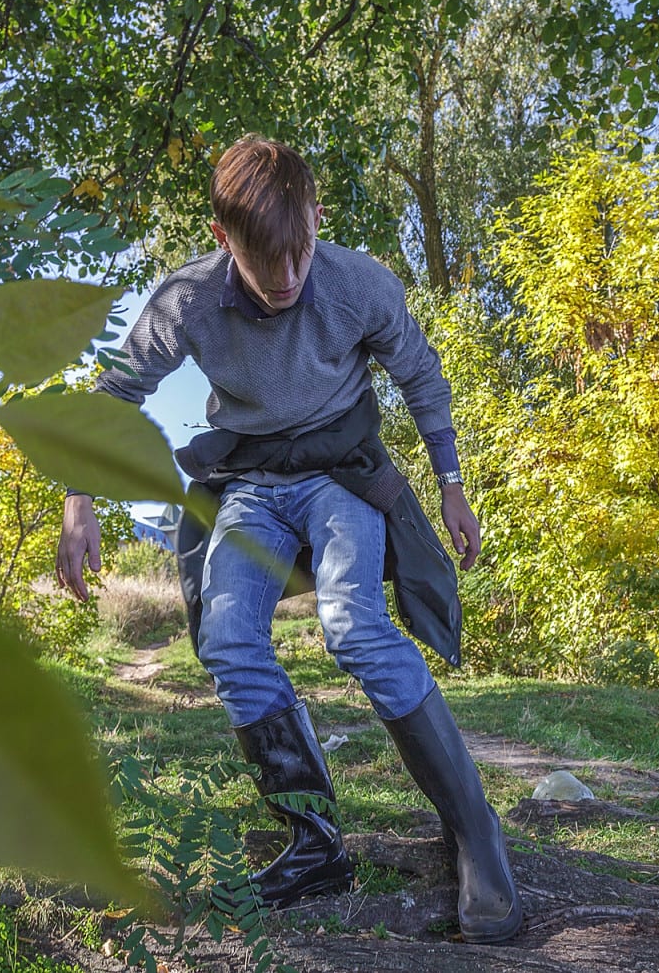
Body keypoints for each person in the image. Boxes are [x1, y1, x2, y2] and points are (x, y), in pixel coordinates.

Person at [55, 135, 522, 944]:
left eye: (299, 250)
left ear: (317, 219)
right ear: (221, 238)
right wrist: (76, 495)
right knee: (229, 639)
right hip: (251, 487)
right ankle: (314, 841)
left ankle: (475, 828)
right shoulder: (188, 301)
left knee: (352, 626)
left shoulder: (357, 285)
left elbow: (420, 372)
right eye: (263, 258)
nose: (285, 277)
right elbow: (113, 392)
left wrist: (450, 483)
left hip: (342, 478)